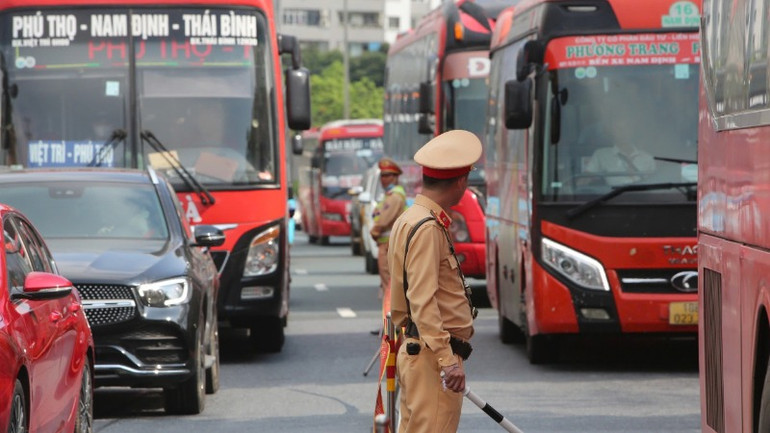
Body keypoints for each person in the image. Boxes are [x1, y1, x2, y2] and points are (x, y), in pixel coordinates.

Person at [388, 130, 480, 433]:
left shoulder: (410, 218)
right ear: (461, 182)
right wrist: (447, 361)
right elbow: (423, 301)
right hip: (432, 359)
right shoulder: (428, 227)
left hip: (420, 353)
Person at [368, 158, 407, 334]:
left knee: (389, 287)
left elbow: (384, 219)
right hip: (386, 244)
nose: (384, 179)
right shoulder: (389, 195)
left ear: (396, 177)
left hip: (389, 245)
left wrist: (375, 230)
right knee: (389, 286)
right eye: (382, 176)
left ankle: (391, 327)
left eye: (388, 175)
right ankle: (390, 325)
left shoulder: (395, 196)